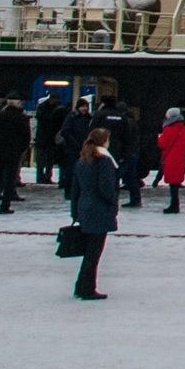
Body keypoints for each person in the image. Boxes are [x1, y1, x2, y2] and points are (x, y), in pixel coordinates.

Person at [69, 126, 119, 300]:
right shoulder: (104, 161)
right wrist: (113, 203)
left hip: (85, 208)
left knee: (89, 252)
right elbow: (106, 188)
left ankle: (81, 285)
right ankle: (87, 287)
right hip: (99, 210)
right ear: (104, 141)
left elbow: (75, 190)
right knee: (94, 252)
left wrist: (75, 212)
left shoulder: (82, 160)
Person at [0, 94, 31, 214]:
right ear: (18, 103)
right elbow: (26, 137)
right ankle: (5, 206)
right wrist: (20, 150)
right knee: (10, 180)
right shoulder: (21, 118)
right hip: (13, 153)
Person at [95, 97, 140, 208]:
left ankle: (108, 199)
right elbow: (128, 136)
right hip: (124, 151)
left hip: (108, 150)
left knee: (110, 176)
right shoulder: (123, 118)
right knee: (128, 177)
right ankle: (131, 199)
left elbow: (92, 131)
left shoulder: (100, 115)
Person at [58, 98, 94, 200]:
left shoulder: (89, 118)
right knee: (71, 171)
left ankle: (80, 192)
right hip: (72, 149)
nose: (85, 108)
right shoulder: (72, 117)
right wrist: (74, 143)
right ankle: (69, 192)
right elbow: (65, 131)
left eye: (86, 106)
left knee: (84, 171)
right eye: (83, 106)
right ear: (78, 107)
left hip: (85, 149)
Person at [157, 108, 185, 213]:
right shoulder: (184, 129)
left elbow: (161, 144)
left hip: (170, 159)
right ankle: (175, 204)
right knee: (175, 183)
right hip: (180, 158)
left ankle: (174, 205)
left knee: (172, 184)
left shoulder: (169, 129)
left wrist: (159, 136)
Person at [33, 93, 68, 185]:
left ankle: (45, 177)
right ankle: (41, 177)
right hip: (45, 137)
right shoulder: (48, 107)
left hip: (48, 137)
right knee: (43, 159)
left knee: (48, 159)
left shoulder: (45, 107)